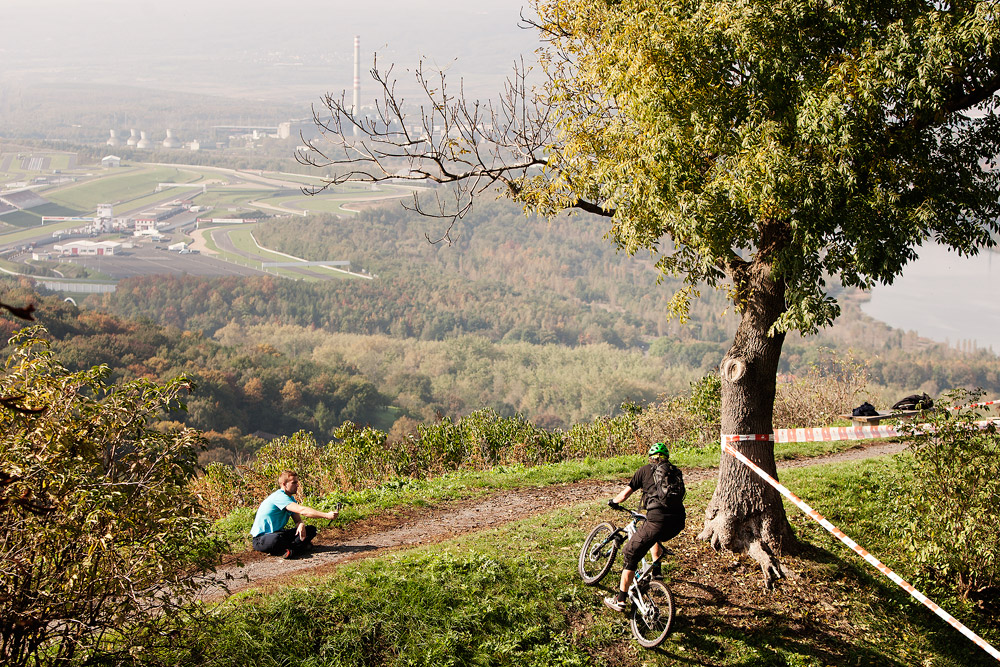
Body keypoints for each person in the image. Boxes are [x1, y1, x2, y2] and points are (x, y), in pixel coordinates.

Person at [603, 441, 685, 612]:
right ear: (666, 458)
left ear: (651, 458)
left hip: (657, 520)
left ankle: (620, 600)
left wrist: (613, 502)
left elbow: (625, 494)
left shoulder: (644, 470)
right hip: (677, 522)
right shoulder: (675, 472)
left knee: (630, 553)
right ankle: (656, 571)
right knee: (654, 535)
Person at [251, 470, 339, 559]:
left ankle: (290, 550)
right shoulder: (279, 497)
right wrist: (326, 515)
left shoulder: (291, 499)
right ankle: (298, 547)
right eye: (294, 483)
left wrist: (300, 524)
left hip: (279, 533)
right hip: (262, 539)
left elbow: (297, 519)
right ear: (284, 484)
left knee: (311, 530)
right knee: (276, 539)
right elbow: (303, 510)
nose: (297, 485)